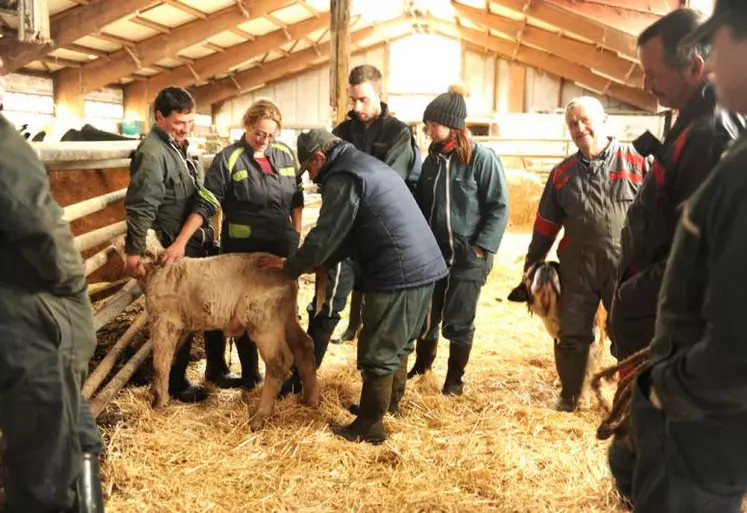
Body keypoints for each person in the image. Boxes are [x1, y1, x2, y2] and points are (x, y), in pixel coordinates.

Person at [605, 8, 746, 505]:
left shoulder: (711, 138)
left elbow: (711, 282)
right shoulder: (689, 127)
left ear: (694, 66)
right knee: (632, 462)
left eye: (652, 73)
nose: (646, 85)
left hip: (691, 388)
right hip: (670, 350)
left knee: (656, 475)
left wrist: (664, 381)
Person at [259, 129, 448, 444]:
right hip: (424, 267)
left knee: (378, 349)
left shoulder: (344, 177)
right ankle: (388, 407)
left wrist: (292, 266)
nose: (313, 177)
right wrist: (319, 262)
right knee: (399, 345)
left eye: (311, 169)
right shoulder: (363, 164)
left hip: (397, 273)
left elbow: (326, 234)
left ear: (320, 157)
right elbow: (350, 234)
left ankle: (369, 426)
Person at [0, 54, 104, 512]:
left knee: (72, 427)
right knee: (45, 474)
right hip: (23, 317)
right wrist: (70, 291)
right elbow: (38, 224)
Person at [509, 95, 648, 411]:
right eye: (572, 123)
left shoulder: (638, 161)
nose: (579, 127)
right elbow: (546, 224)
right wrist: (532, 264)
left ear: (603, 121)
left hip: (626, 267)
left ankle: (629, 400)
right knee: (571, 334)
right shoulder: (562, 173)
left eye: (585, 120)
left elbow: (662, 212)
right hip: (577, 268)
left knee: (629, 334)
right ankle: (571, 396)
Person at [160, 99, 303, 390]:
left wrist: (296, 238)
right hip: (242, 252)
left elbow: (297, 199)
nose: (264, 140)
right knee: (243, 314)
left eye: (271, 135)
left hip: (279, 248)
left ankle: (282, 374)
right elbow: (207, 203)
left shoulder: (286, 154)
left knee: (280, 309)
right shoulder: (229, 158)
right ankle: (252, 375)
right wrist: (180, 243)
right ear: (247, 125)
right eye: (259, 133)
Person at [124, 86, 241, 402]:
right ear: (159, 117)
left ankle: (216, 367)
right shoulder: (152, 154)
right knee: (181, 315)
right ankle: (175, 382)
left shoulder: (181, 148)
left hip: (197, 242)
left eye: (190, 122)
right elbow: (141, 206)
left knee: (213, 304)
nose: (185, 129)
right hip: (175, 247)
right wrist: (134, 251)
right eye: (179, 123)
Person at [406, 84, 509, 396]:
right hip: (435, 253)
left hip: (469, 256)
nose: (429, 131)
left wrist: (481, 248)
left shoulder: (481, 159)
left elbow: (498, 207)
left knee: (459, 319)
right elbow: (424, 205)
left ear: (452, 126)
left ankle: (454, 380)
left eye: (434, 125)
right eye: (427, 125)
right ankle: (423, 367)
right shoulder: (433, 162)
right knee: (428, 313)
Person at [311, 64, 422, 347]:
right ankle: (303, 377)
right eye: (353, 99)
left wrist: (346, 195)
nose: (357, 106)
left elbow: (387, 186)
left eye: (364, 99)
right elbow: (328, 180)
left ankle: (376, 379)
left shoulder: (398, 134)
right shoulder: (341, 132)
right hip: (345, 234)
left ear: (380, 94)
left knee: (380, 310)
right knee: (326, 302)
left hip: (380, 235)